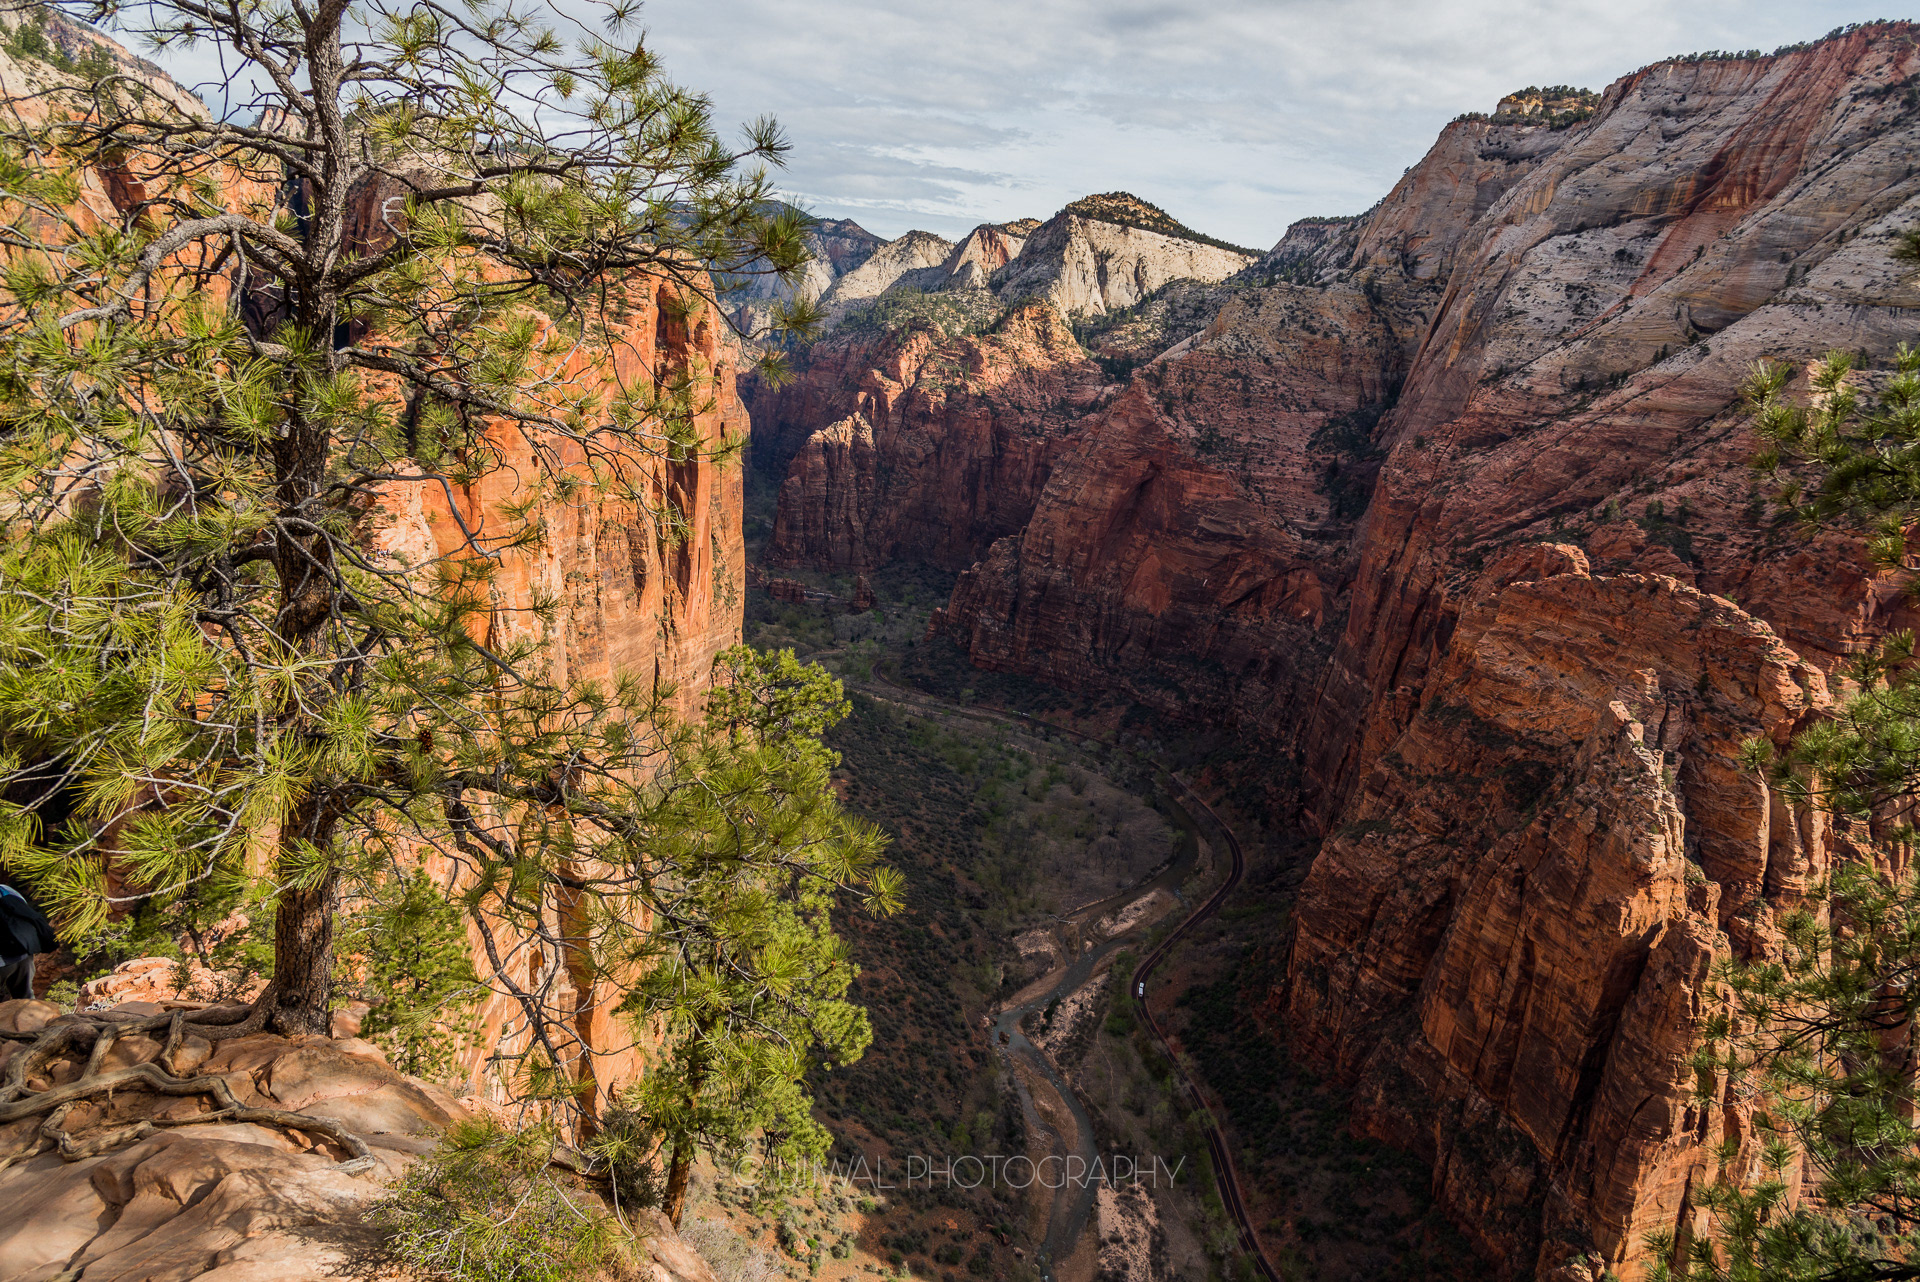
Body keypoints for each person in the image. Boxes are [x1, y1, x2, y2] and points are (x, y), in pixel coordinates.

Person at [0, 882, 56, 1000]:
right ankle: (31, 1016)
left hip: (3, 960)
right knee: (25, 997)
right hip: (24, 950)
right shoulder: (6, 889)